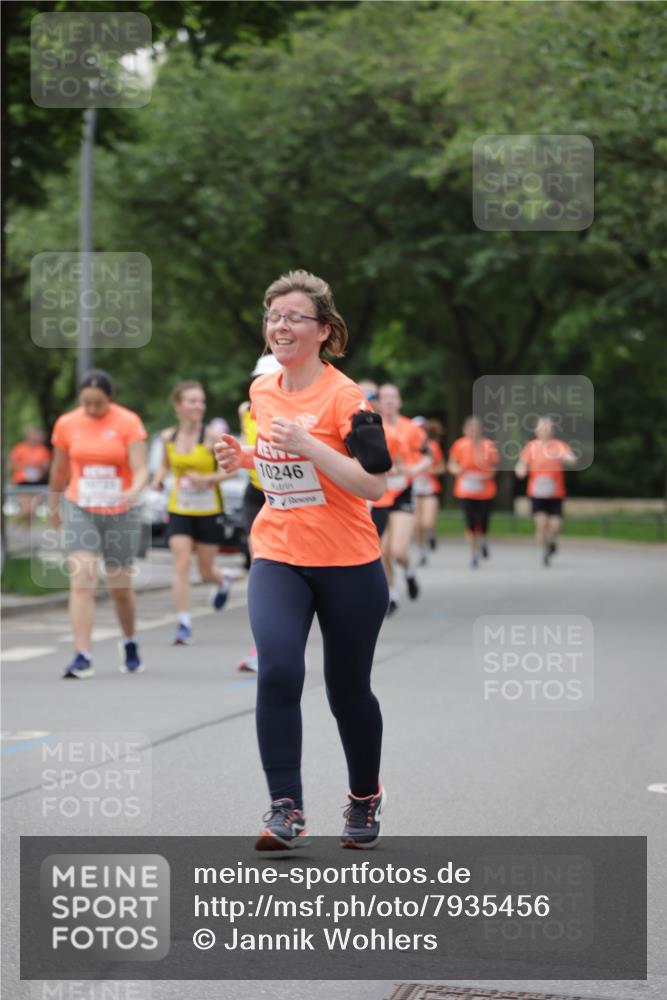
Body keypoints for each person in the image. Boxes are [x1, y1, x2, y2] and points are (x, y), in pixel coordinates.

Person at [214, 269, 391, 851]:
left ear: (324, 330)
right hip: (279, 552)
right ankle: (285, 806)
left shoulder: (348, 399)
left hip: (348, 562)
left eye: (293, 316)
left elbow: (373, 486)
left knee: (347, 693)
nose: (280, 325)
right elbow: (285, 472)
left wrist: (311, 444)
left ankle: (364, 798)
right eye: (273, 316)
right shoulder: (263, 391)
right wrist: (246, 460)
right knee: (280, 669)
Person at [47, 370, 148, 678]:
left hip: (120, 510)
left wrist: (134, 489)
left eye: (98, 404)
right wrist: (54, 505)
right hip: (81, 506)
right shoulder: (67, 424)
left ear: (110, 397)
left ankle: (129, 639)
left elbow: (141, 467)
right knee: (83, 579)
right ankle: (82, 654)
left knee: (119, 587)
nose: (92, 410)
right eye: (86, 403)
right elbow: (59, 469)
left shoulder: (128, 422)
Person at [150, 381, 233, 645]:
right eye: (192, 401)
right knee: (182, 564)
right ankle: (183, 623)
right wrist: (159, 479)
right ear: (178, 405)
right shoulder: (167, 437)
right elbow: (165, 465)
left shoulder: (211, 438)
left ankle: (222, 582)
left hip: (208, 510)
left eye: (201, 401)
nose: (199, 406)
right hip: (180, 509)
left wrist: (208, 478)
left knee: (205, 571)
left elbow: (230, 469)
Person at [237, 353, 283, 671]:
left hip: (285, 494)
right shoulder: (247, 410)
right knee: (262, 569)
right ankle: (263, 647)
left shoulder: (294, 410)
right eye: (257, 379)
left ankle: (286, 644)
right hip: (257, 492)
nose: (260, 384)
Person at [375, 384, 432, 616]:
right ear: (378, 401)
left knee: (398, 550)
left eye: (393, 397)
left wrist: (410, 469)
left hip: (402, 492)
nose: (388, 401)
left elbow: (428, 457)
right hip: (379, 493)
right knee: (382, 551)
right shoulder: (372, 426)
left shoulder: (412, 429)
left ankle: (408, 572)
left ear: (399, 401)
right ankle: (391, 594)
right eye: (384, 397)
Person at [515, 416, 577, 566]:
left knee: (555, 526)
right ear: (536, 430)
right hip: (537, 493)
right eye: (542, 428)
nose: (545, 430)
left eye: (548, 427)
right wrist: (521, 470)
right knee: (541, 524)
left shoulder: (559, 446)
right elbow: (521, 464)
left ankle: (552, 541)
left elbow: (572, 460)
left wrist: (564, 457)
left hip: (556, 493)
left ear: (552, 430)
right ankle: (545, 551)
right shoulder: (531, 447)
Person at [449, 417, 499, 568]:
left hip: (485, 491)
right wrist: (457, 470)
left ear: (480, 430)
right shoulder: (459, 445)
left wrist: (484, 476)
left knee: (482, 521)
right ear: (465, 430)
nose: (473, 431)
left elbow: (495, 467)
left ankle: (483, 539)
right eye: (470, 428)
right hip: (465, 490)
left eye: (475, 428)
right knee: (470, 522)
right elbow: (452, 464)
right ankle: (473, 553)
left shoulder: (488, 446)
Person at [412, 419, 446, 565]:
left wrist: (430, 470)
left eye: (422, 429)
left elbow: (442, 468)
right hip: (413, 489)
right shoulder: (408, 447)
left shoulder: (433, 446)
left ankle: (431, 534)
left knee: (427, 522)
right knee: (417, 524)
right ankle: (422, 551)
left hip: (430, 488)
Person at [9, 426, 51, 529]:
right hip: (22, 481)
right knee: (25, 509)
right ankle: (18, 526)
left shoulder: (43, 450)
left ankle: (25, 530)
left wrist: (41, 466)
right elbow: (11, 464)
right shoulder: (19, 448)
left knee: (32, 511)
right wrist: (25, 466)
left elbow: (47, 467)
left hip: (37, 482)